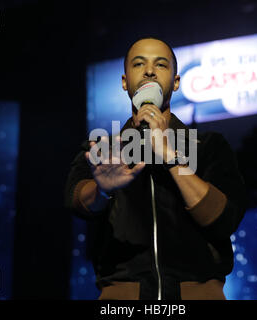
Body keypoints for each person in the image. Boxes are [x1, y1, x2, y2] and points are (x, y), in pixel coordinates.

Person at [65, 37, 247, 300]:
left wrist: (171, 157)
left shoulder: (208, 146)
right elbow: (75, 201)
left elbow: (223, 219)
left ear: (175, 82)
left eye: (160, 65)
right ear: (125, 81)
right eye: (139, 64)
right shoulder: (104, 148)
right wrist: (102, 191)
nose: (149, 71)